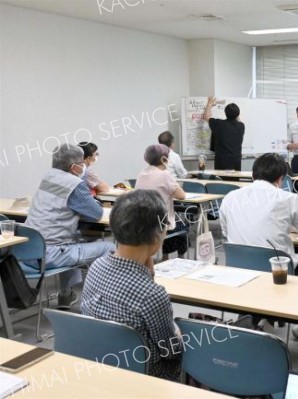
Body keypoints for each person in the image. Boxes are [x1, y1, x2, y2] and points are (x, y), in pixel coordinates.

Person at [81, 190, 181, 381]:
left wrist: (148, 276)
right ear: (157, 236)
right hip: (144, 376)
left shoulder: (96, 266)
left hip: (99, 364)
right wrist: (176, 330)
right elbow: (170, 351)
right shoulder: (152, 295)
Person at [219, 153, 298, 337]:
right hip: (278, 274)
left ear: (253, 175)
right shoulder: (288, 199)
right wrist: (292, 228)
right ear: (280, 179)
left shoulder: (230, 197)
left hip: (239, 273)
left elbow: (226, 234)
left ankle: (258, 319)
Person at [24, 144, 115, 310]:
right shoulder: (74, 183)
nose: (83, 166)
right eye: (82, 163)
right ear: (74, 167)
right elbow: (95, 214)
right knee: (110, 247)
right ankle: (104, 302)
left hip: (26, 252)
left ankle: (66, 294)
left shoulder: (48, 176)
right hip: (51, 255)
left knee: (71, 242)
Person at [135, 144, 188, 260]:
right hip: (160, 222)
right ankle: (176, 258)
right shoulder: (165, 175)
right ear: (163, 159)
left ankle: (165, 256)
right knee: (183, 227)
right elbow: (182, 195)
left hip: (143, 220)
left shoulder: (141, 173)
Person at [203, 97, 245, 171]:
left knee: (221, 181)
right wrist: (235, 113)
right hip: (236, 163)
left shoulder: (219, 124)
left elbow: (206, 117)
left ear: (225, 113)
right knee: (234, 182)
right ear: (238, 114)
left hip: (222, 163)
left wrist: (209, 104)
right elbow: (238, 119)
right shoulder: (241, 126)